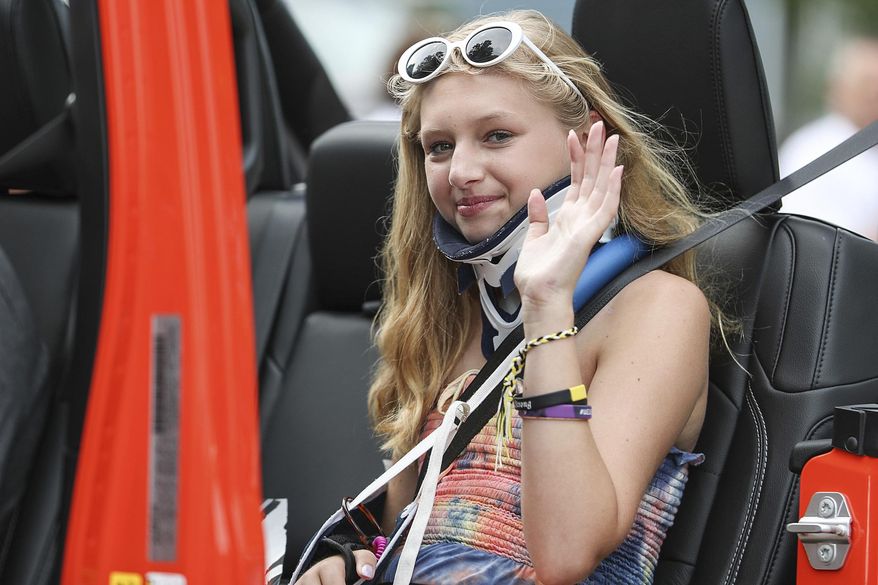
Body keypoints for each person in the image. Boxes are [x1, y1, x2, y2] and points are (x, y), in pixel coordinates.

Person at [296, 10, 714, 584]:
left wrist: (546, 305)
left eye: (496, 136)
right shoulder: (448, 314)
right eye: (438, 147)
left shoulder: (658, 309)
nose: (461, 170)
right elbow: (404, 534)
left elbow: (567, 554)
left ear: (585, 139)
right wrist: (348, 557)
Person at [779, 37, 878, 241]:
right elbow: (809, 235)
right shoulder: (813, 148)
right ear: (838, 86)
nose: (873, 93)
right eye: (866, 83)